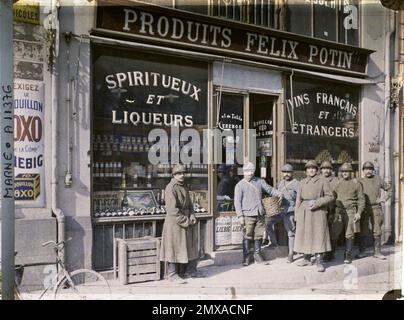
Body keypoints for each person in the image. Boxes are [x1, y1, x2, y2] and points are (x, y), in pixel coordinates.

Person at [160, 164, 204, 282]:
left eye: (183, 173)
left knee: (189, 246)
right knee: (173, 247)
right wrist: (186, 220)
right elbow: (172, 210)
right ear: (174, 175)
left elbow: (189, 204)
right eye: (179, 174)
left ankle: (190, 271)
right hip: (174, 223)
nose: (182, 175)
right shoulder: (171, 188)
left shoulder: (184, 186)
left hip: (185, 221)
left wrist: (192, 214)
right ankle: (172, 274)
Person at [234, 161, 282, 266]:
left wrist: (278, 193)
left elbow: (269, 189)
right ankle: (246, 257)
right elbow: (237, 202)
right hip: (247, 215)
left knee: (258, 235)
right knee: (247, 235)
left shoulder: (260, 181)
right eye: (247, 171)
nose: (250, 173)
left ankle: (257, 255)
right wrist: (240, 216)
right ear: (243, 172)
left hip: (259, 213)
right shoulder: (239, 185)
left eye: (252, 171)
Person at [294, 160, 333, 272]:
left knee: (319, 234)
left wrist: (317, 202)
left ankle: (319, 260)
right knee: (305, 234)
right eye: (308, 168)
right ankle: (306, 257)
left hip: (318, 211)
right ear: (305, 171)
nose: (311, 170)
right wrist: (297, 214)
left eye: (313, 168)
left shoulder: (322, 181)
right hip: (304, 211)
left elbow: (330, 197)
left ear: (316, 170)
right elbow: (298, 200)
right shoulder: (302, 182)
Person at [265, 164, 299, 263]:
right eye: (284, 172)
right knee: (268, 222)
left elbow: (299, 199)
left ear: (292, 173)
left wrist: (296, 212)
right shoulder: (281, 183)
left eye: (288, 172)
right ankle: (274, 242)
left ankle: (291, 254)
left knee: (290, 232)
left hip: (290, 210)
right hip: (280, 210)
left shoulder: (296, 183)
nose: (286, 174)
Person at [358, 161, 392, 260]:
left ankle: (377, 252)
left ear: (373, 170)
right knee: (363, 230)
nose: (368, 171)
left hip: (376, 207)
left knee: (377, 230)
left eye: (370, 169)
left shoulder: (378, 180)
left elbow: (389, 189)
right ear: (363, 171)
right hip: (364, 208)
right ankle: (362, 251)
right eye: (366, 169)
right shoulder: (360, 181)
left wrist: (384, 199)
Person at [334, 163, 365, 264]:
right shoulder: (338, 183)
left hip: (351, 211)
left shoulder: (356, 184)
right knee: (334, 232)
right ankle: (330, 254)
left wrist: (359, 212)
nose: (345, 173)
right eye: (343, 172)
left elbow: (361, 199)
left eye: (347, 171)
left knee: (349, 234)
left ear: (351, 172)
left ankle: (348, 255)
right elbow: (333, 196)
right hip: (339, 210)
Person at [320, 160, 340, 261]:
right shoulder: (318, 179)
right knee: (321, 232)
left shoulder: (336, 180)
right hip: (321, 209)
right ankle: (321, 253)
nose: (326, 171)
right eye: (324, 169)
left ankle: (331, 254)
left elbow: (339, 196)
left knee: (333, 233)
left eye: (328, 169)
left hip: (333, 209)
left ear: (331, 170)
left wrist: (337, 211)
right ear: (321, 170)